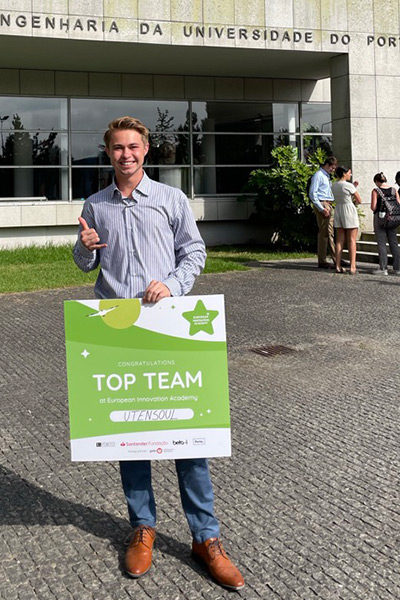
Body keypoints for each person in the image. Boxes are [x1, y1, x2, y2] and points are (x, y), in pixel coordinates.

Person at [72, 116, 245, 591]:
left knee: (188, 436)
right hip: (118, 333)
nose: (125, 155)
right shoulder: (95, 204)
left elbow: (195, 253)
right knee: (132, 438)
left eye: (133, 147)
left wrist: (170, 285)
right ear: (108, 153)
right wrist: (84, 248)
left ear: (145, 150)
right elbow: (88, 260)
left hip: (169, 330)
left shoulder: (171, 200)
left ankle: (205, 537)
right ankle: (142, 527)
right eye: (117, 148)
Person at [309, 156, 338, 268]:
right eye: (332, 167)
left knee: (329, 233)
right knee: (324, 233)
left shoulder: (326, 176)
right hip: (323, 203)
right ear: (327, 165)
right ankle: (323, 260)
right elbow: (313, 193)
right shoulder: (318, 175)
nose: (333, 170)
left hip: (328, 204)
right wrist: (321, 208)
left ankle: (335, 258)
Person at [332, 166, 362, 275]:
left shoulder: (334, 185)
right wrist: (354, 189)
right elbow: (359, 200)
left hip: (338, 209)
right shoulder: (349, 185)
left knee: (339, 240)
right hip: (349, 210)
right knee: (351, 240)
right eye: (349, 172)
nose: (350, 174)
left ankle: (337, 265)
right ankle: (352, 266)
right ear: (344, 173)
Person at [370, 172, 400, 275]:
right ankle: (398, 268)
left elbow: (373, 207)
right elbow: (398, 204)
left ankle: (383, 268)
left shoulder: (376, 191)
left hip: (380, 218)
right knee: (394, 242)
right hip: (393, 218)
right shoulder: (394, 190)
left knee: (381, 243)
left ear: (377, 181)